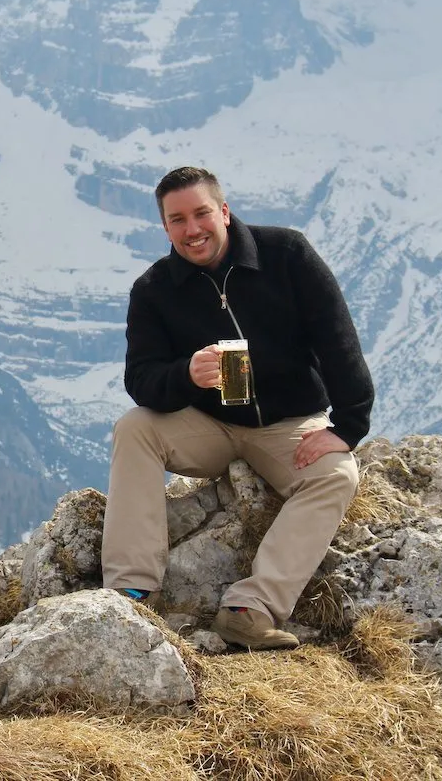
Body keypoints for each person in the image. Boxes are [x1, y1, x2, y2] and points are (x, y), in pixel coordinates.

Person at [102, 166, 373, 650]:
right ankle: (129, 589)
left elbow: (338, 341)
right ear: (165, 227)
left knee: (337, 474)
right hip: (210, 423)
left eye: (202, 213)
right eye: (177, 219)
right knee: (135, 429)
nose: (192, 229)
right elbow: (140, 381)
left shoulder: (287, 255)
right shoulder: (154, 290)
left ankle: (251, 608)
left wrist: (348, 426)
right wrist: (185, 373)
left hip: (288, 424)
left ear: (224, 212)